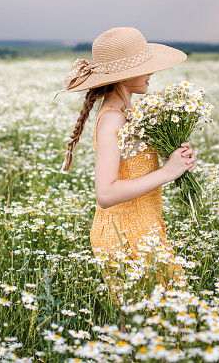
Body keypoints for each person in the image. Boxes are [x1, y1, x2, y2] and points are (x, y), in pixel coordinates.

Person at [58, 27, 197, 303]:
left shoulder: (129, 113)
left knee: (151, 325)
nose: (152, 73)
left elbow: (139, 165)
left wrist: (178, 157)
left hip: (144, 228)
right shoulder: (113, 119)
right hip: (123, 235)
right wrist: (167, 172)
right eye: (144, 67)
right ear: (123, 75)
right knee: (166, 323)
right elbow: (106, 194)